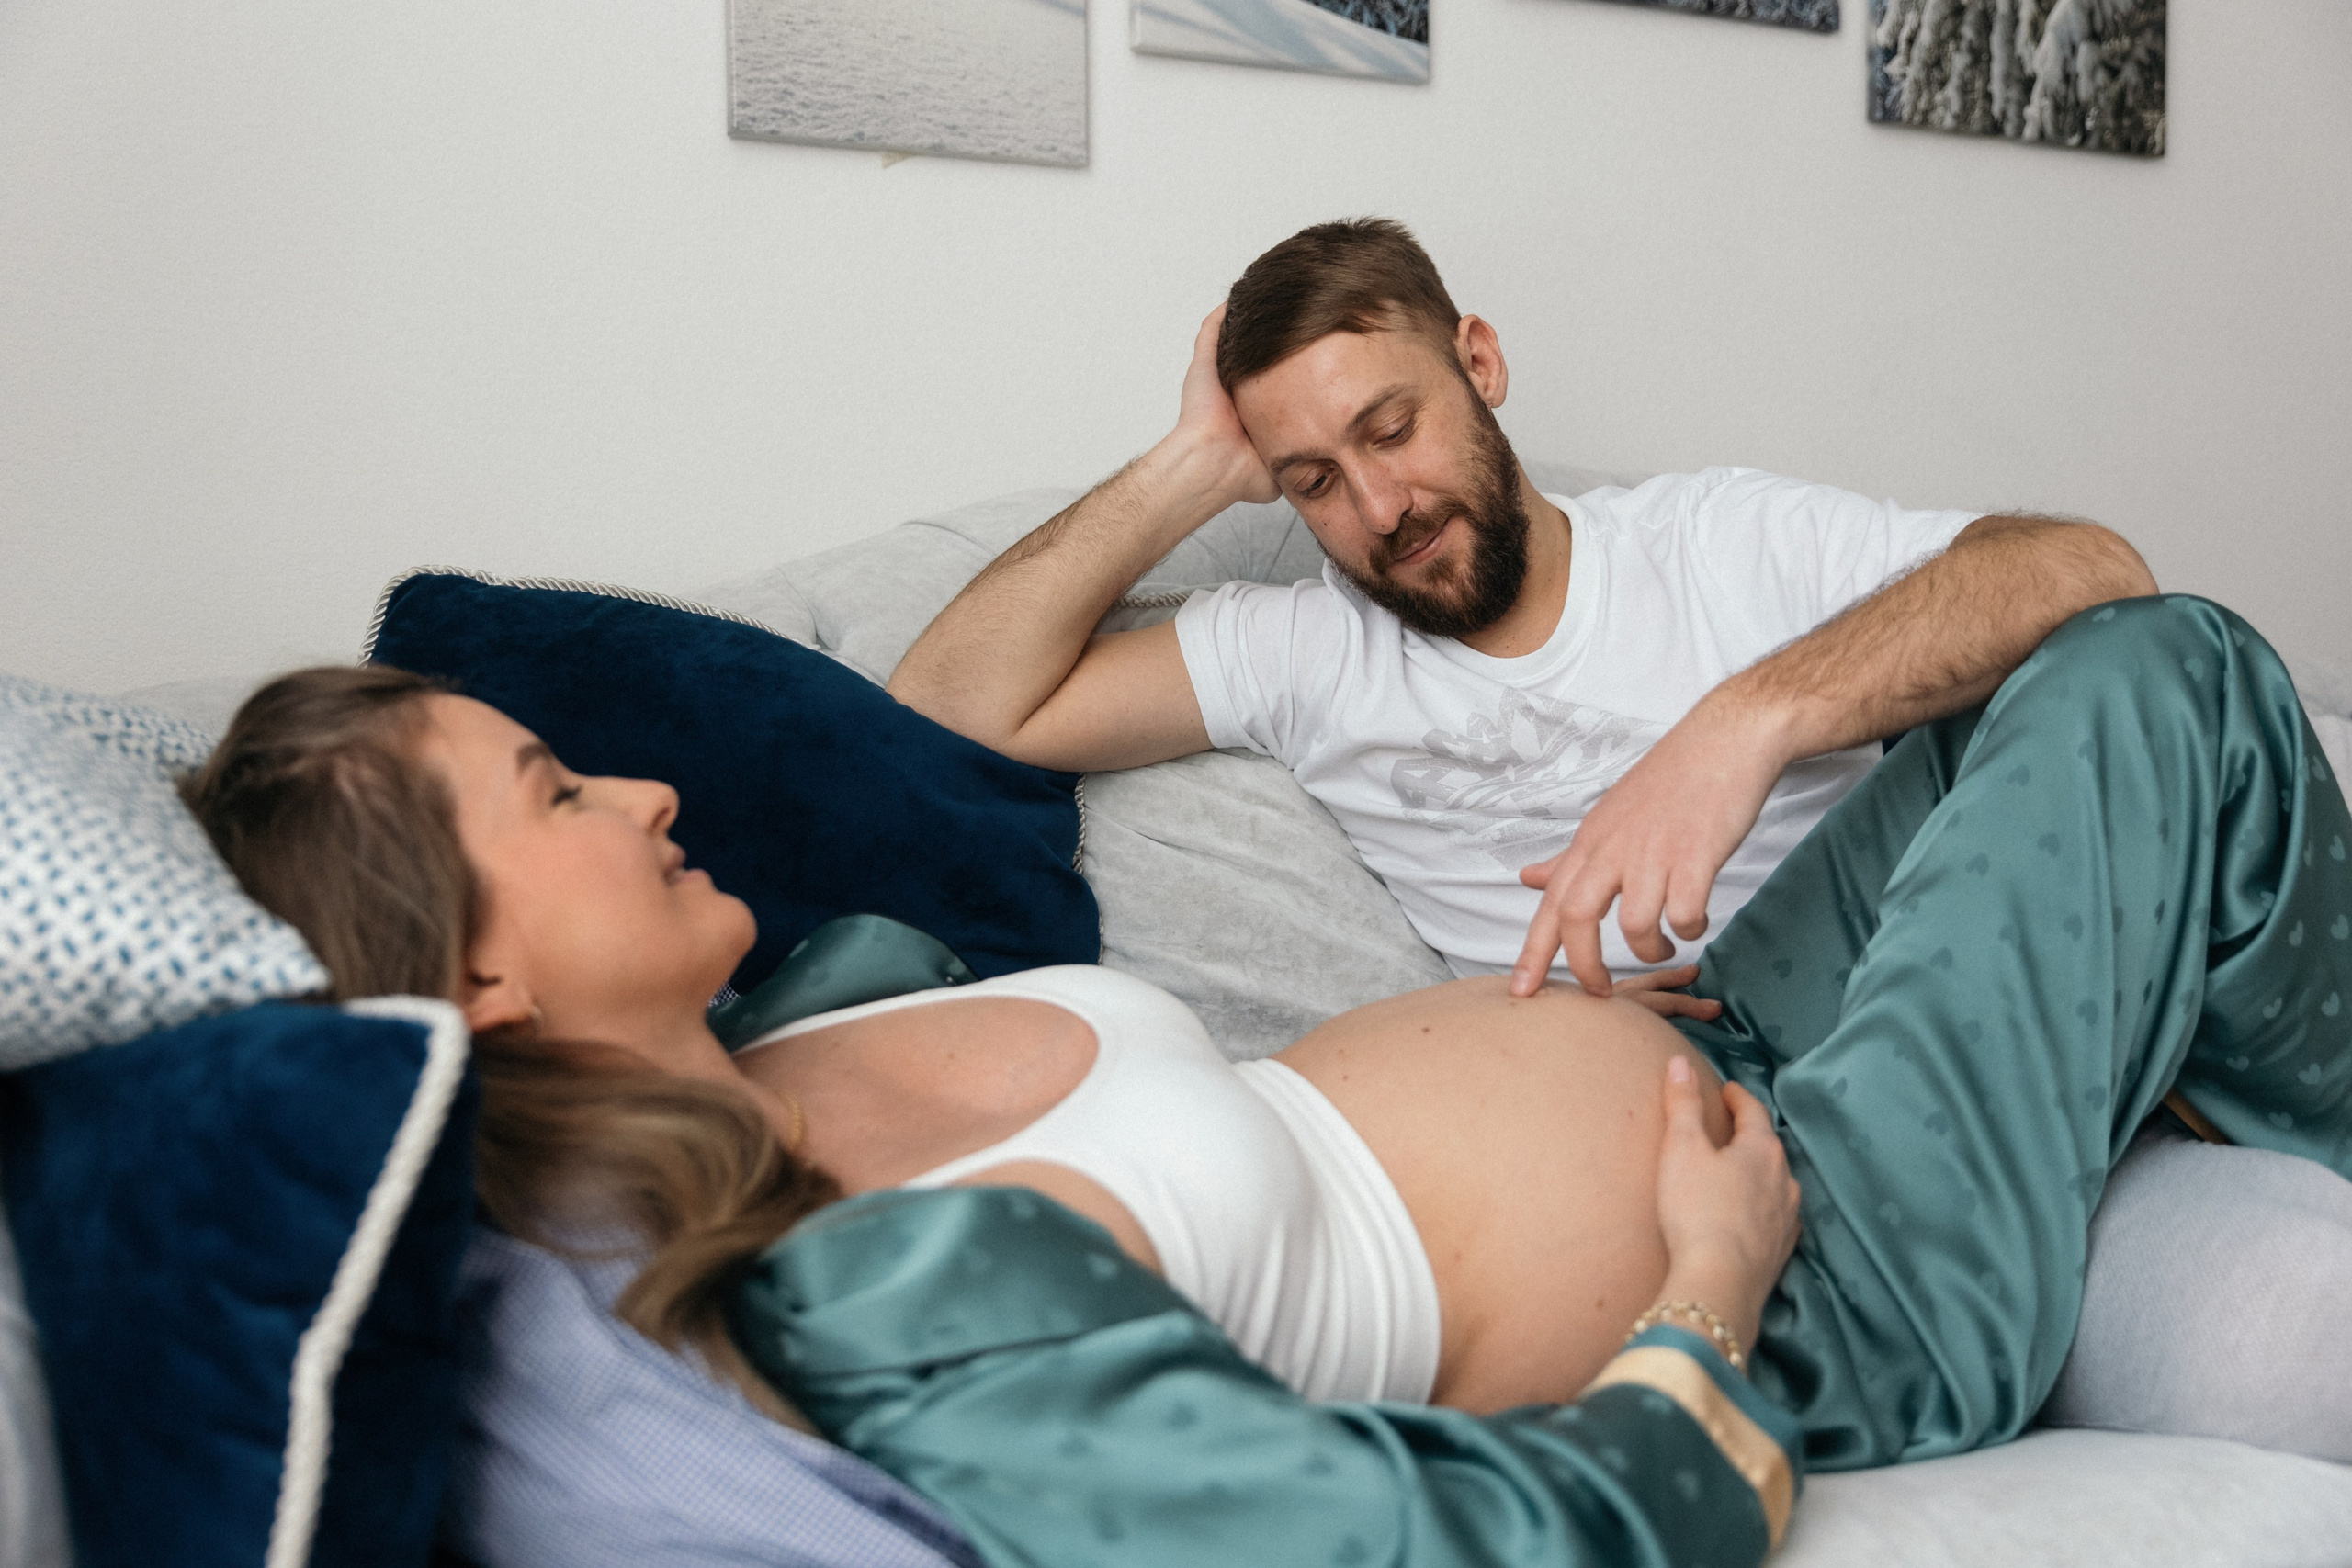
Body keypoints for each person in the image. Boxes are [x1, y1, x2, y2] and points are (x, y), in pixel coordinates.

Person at [185, 596, 2351, 1568]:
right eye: (558, 790)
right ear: (472, 974)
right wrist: (1704, 1280)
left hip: (1709, 1043)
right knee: (2167, 676)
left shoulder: (806, 1017)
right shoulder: (844, 1294)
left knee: (1993, 701)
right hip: (1816, 1267)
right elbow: (1447, 1541)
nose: (646, 788)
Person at [886, 218, 2160, 1008]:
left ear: (1479, 363)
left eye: (1393, 428)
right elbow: (941, 709)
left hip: (1893, 983)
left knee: (2149, 674)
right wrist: (1196, 463)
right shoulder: (1299, 650)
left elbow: (2094, 573)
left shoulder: (1712, 540)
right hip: (1649, 1086)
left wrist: (1741, 723)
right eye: (1314, 481)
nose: (1381, 508)